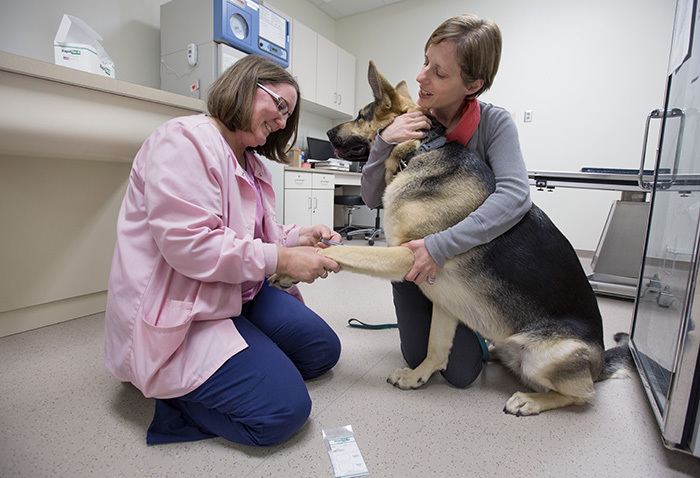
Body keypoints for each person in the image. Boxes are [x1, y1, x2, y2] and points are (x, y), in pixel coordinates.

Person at [104, 54, 342, 447]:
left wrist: (300, 236)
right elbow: (191, 245)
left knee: (322, 352)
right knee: (283, 412)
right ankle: (173, 395)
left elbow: (256, 233)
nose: (283, 122)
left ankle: (244, 345)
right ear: (246, 86)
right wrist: (283, 260)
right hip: (187, 309)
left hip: (237, 293)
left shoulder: (252, 164)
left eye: (288, 116)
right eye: (280, 106)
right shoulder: (183, 142)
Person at [361, 14, 532, 387]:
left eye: (439, 72)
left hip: (460, 265)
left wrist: (440, 246)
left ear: (473, 84)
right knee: (414, 356)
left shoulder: (494, 125)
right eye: (425, 62)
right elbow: (372, 197)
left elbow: (516, 196)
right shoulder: (412, 121)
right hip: (412, 266)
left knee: (460, 374)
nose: (422, 77)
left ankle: (476, 329)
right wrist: (383, 142)